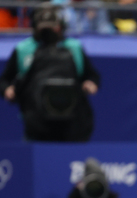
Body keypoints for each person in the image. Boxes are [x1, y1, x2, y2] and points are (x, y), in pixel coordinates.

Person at [0, 3, 101, 142]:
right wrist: (7, 89)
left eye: (53, 27)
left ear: (60, 27)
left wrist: (91, 83)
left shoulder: (74, 48)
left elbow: (91, 75)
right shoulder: (22, 49)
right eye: (44, 28)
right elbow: (5, 79)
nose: (49, 32)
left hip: (72, 118)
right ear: (35, 27)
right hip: (36, 119)